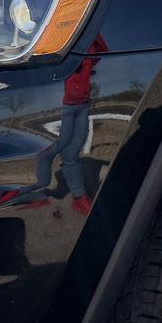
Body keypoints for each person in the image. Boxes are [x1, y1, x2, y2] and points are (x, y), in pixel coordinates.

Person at [32, 34, 107, 215]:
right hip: (66, 106)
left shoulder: (89, 49)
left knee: (72, 151)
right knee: (60, 144)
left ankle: (79, 199)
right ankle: (38, 193)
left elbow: (103, 51)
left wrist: (92, 31)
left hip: (83, 105)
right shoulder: (62, 46)